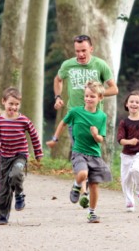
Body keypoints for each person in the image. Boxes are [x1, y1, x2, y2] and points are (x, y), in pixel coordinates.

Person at [53, 34, 118, 208]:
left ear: (91, 48)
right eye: (77, 51)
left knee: (92, 155)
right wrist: (58, 97)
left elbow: (114, 88)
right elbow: (58, 79)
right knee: (80, 150)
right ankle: (84, 191)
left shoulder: (100, 65)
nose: (80, 54)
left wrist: (98, 94)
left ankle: (78, 185)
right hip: (76, 118)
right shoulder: (68, 65)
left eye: (83, 50)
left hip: (95, 119)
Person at [47, 80, 112, 223]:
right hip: (79, 152)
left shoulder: (102, 116)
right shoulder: (75, 112)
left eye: (92, 96)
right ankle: (76, 186)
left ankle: (92, 212)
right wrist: (54, 139)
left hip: (94, 154)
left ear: (100, 98)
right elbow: (63, 123)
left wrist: (96, 135)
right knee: (83, 174)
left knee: (94, 185)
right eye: (87, 96)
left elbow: (101, 139)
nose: (89, 99)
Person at [0, 87, 43, 225]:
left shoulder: (24, 120)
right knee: (4, 188)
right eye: (11, 104)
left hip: (20, 155)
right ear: (3, 102)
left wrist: (38, 152)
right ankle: (3, 215)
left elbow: (34, 135)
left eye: (16, 104)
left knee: (16, 175)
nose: (13, 107)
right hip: (5, 157)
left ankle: (19, 194)